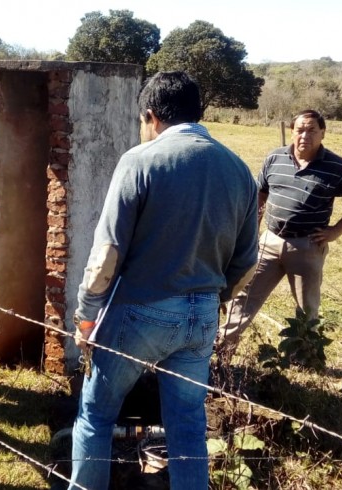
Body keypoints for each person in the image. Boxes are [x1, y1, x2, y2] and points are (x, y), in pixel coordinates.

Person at [69, 71, 260, 489]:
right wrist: (215, 298)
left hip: (139, 312)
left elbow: (106, 256)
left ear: (151, 116)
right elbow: (248, 261)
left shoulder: (140, 161)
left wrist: (86, 317)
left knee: (96, 414)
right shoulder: (240, 171)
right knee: (188, 426)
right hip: (202, 315)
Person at [219, 109, 342, 352]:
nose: (305, 136)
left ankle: (304, 357)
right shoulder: (275, 158)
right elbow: (260, 194)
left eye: (312, 130)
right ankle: (223, 349)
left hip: (307, 246)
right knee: (244, 297)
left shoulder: (337, 167)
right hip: (269, 241)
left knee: (307, 307)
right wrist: (252, 229)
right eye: (300, 130)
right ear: (292, 132)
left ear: (323, 133)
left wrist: (335, 231)